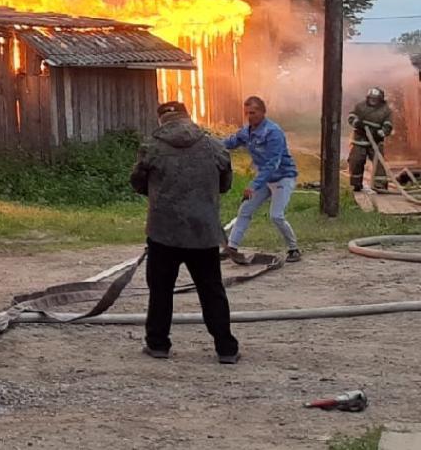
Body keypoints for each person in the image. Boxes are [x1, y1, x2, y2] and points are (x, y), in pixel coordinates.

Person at [129, 100, 240, 364]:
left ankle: (158, 344)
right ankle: (226, 348)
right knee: (211, 290)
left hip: (163, 232)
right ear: (187, 117)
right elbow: (225, 184)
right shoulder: (213, 145)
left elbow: (137, 182)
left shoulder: (151, 147)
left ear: (161, 121)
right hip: (204, 232)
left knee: (160, 290)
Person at [223, 95, 302, 263]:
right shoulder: (246, 131)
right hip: (264, 180)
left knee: (276, 215)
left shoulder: (274, 132)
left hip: (282, 177)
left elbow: (273, 163)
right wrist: (208, 143)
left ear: (263, 112)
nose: (250, 117)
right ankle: (232, 247)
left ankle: (293, 248)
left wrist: (253, 184)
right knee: (245, 210)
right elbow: (230, 142)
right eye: (247, 113)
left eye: (253, 112)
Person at [349, 87, 395, 194]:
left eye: (375, 99)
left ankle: (380, 185)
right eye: (371, 98)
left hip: (376, 141)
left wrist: (381, 132)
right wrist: (356, 123)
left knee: (379, 163)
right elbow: (351, 116)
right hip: (359, 139)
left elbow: (388, 125)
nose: (373, 101)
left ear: (381, 99)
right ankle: (356, 184)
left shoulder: (386, 110)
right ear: (368, 98)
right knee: (356, 160)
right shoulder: (360, 106)